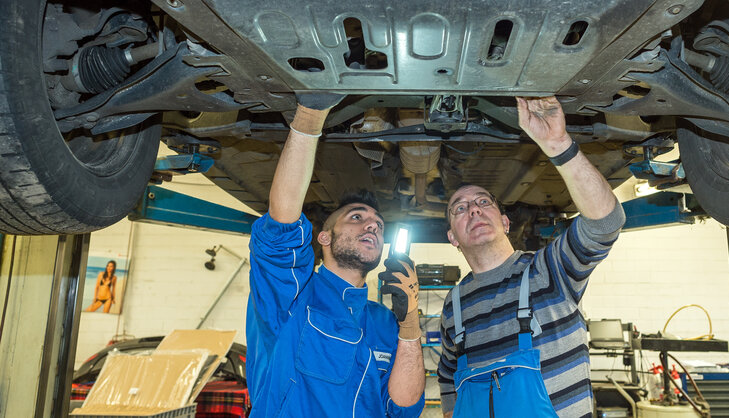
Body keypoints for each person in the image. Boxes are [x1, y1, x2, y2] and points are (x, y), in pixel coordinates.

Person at [437, 96, 626, 418]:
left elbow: (605, 223)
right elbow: (447, 381)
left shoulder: (547, 270)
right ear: (453, 237)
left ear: (505, 222)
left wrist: (559, 145)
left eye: (483, 202)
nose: (473, 209)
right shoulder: (453, 304)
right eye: (460, 208)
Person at [246, 94, 425, 418]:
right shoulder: (293, 293)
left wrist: (409, 322)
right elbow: (281, 224)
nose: (372, 224)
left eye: (378, 224)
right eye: (357, 217)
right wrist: (311, 112)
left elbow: (403, 408)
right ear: (324, 236)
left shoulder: (385, 321)